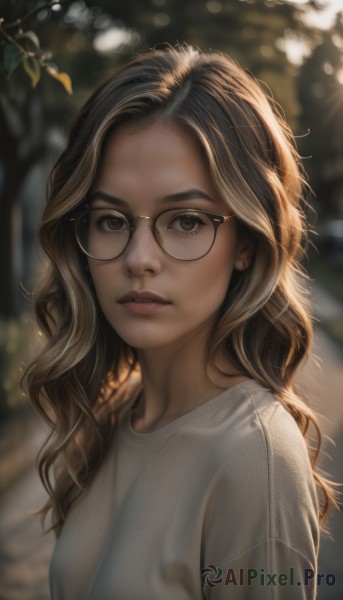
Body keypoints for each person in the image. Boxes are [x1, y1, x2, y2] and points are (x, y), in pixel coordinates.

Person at [24, 44, 336, 599]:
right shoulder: (115, 413)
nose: (139, 257)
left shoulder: (253, 459)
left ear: (245, 240)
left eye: (186, 220)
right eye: (112, 220)